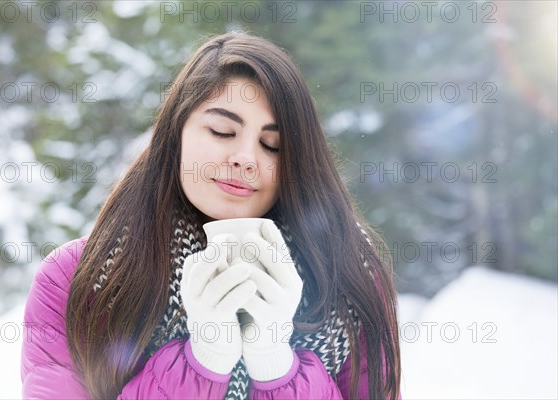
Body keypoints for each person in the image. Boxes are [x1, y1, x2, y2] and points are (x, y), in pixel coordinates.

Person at [21, 31, 402, 399]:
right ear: (176, 134)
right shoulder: (77, 279)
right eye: (222, 131)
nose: (246, 159)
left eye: (272, 145)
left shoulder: (350, 277)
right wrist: (202, 361)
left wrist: (276, 364)